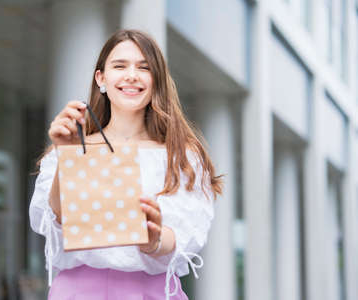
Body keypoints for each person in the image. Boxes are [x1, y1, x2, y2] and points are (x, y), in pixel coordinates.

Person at [29, 29, 223, 300]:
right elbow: (56, 220)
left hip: (150, 291)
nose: (131, 75)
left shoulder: (180, 156)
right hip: (77, 292)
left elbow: (186, 235)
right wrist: (67, 156)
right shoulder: (72, 146)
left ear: (156, 80)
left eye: (144, 68)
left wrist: (153, 240)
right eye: (120, 65)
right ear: (101, 77)